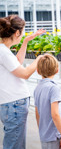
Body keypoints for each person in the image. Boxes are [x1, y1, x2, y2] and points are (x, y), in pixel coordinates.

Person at [0, 15, 45, 149]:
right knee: (15, 144)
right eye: (22, 33)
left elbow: (17, 63)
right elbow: (24, 73)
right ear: (17, 32)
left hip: (11, 104)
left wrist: (25, 42)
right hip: (14, 104)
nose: (21, 36)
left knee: (14, 141)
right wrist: (38, 59)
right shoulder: (3, 52)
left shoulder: (4, 50)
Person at [34, 54, 61, 149]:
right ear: (57, 70)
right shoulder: (53, 88)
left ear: (38, 71)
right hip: (54, 136)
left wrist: (42, 130)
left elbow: (37, 113)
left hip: (44, 135)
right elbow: (55, 114)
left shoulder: (37, 88)